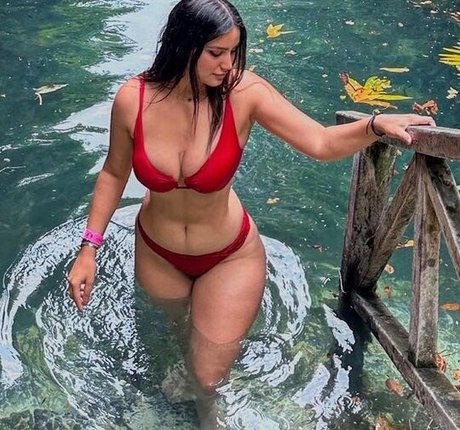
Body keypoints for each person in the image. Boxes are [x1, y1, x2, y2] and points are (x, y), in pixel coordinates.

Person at [67, 0, 436, 427]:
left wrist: (373, 125)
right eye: (216, 53)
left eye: (233, 52)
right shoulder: (133, 99)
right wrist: (89, 249)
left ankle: (210, 416)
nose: (228, 65)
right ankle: (188, 378)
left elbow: (319, 142)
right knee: (180, 339)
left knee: (208, 378)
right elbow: (114, 173)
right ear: (184, 45)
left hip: (227, 256)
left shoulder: (244, 94)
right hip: (157, 254)